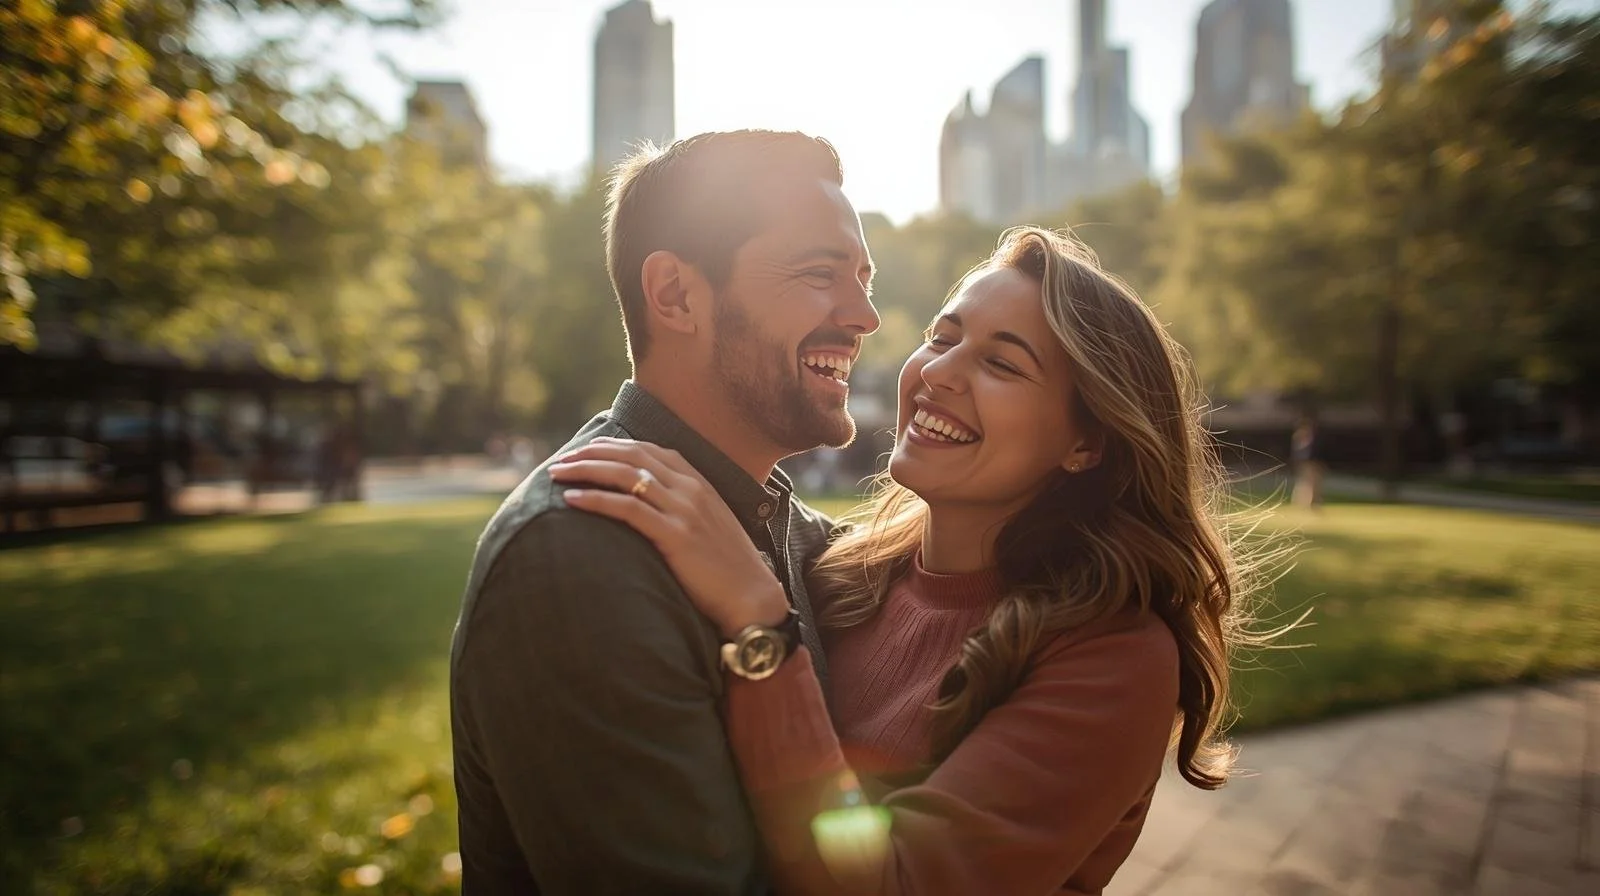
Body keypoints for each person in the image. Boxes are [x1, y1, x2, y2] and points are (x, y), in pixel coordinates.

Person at [552, 227, 1273, 894]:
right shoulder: (838, 573)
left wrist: (762, 630)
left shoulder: (1113, 656)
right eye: (942, 336)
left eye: (1000, 363)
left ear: (1087, 443)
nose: (939, 373)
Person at [449, 131, 880, 892]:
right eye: (820, 274)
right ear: (677, 295)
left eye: (863, 279)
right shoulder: (577, 558)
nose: (864, 316)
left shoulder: (791, 529)